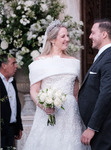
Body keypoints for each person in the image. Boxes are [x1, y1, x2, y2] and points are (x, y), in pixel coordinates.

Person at [23, 20, 90, 150]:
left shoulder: (74, 62)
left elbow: (76, 94)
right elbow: (34, 91)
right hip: (48, 114)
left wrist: (82, 119)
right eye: (63, 36)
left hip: (71, 116)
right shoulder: (40, 62)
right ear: (53, 40)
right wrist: (44, 106)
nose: (67, 39)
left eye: (67, 36)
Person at [78, 18, 111, 150]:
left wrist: (92, 127)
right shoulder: (104, 56)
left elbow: (106, 96)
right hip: (104, 128)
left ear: (104, 34)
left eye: (92, 33)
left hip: (108, 128)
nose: (90, 36)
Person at [0, 53, 23, 150]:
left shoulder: (12, 81)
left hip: (12, 129)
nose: (16, 66)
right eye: (13, 63)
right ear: (4, 66)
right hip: (0, 131)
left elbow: (16, 104)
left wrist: (19, 126)